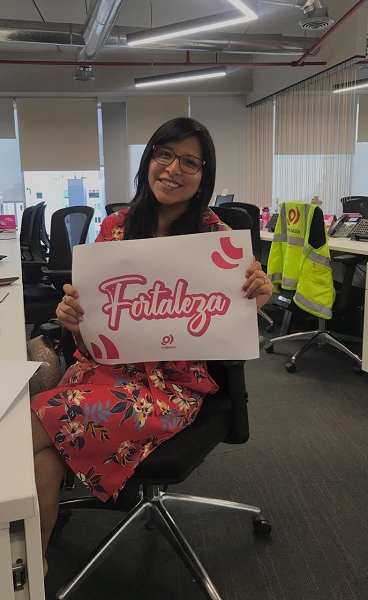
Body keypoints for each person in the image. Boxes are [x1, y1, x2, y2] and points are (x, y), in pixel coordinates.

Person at [30, 116, 274, 574]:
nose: (173, 169)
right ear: (149, 160)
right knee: (42, 459)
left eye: (190, 162)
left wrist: (256, 297)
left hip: (168, 388)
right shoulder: (114, 228)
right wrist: (72, 319)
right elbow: (89, 331)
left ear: (203, 175)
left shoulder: (218, 239)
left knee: (29, 427)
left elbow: (235, 330)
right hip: (103, 370)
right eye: (165, 154)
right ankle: (32, 571)